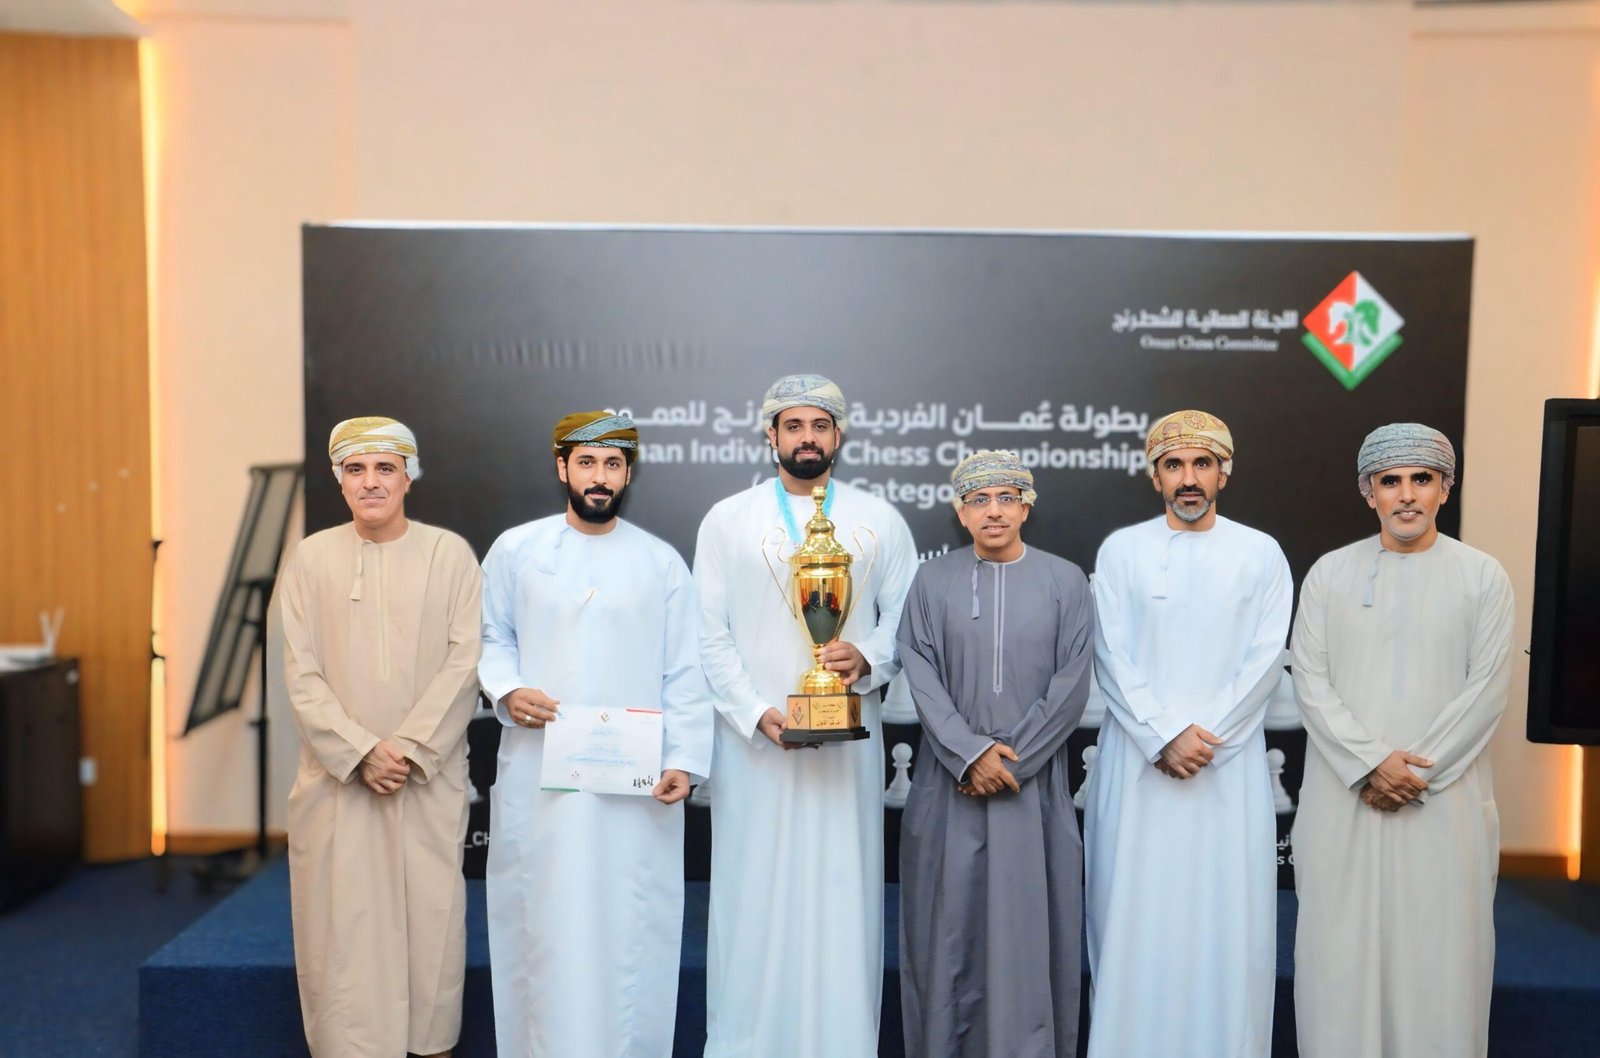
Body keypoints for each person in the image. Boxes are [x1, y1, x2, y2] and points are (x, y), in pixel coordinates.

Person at [694, 373, 918, 1057]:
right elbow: (708, 634)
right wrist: (756, 712)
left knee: (841, 893)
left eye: (820, 426)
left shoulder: (879, 520)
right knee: (753, 897)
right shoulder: (727, 520)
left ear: (839, 435)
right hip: (757, 746)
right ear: (771, 435)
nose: (807, 438)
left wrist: (867, 658)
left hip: (846, 743)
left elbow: (907, 619)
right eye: (793, 426)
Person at [477, 410, 712, 1058]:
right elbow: (490, 638)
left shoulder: (660, 563)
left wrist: (684, 759)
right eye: (586, 462)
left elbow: (685, 670)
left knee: (626, 926)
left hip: (634, 791)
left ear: (628, 474)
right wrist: (507, 690)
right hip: (541, 782)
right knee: (544, 926)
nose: (599, 476)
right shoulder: (517, 550)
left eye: (612, 464)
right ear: (563, 468)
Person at [1290, 423, 1514, 1058]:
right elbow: (1309, 681)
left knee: (1441, 959)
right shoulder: (1330, 573)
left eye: (1423, 479)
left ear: (1446, 488)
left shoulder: (1482, 576)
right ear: (1370, 493)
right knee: (1339, 958)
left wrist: (1414, 773)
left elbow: (1487, 688)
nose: (1407, 495)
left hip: (1442, 802)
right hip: (1345, 799)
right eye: (1391, 481)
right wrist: (1369, 764)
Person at [1083, 409, 1290, 1057]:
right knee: (1133, 918)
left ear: (1225, 473)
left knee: (1226, 925)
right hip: (1139, 766)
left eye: (1203, 464)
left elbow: (1266, 659)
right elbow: (1110, 655)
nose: (1189, 478)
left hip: (1226, 770)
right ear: (1155, 477)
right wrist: (1163, 735)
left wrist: (1208, 736)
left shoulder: (1260, 553)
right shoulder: (1121, 550)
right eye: (1174, 465)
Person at [280, 416, 482, 1058]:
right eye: (356, 469)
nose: (371, 482)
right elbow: (301, 673)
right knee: (343, 932)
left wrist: (410, 750)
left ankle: (429, 1046)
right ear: (339, 480)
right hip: (338, 783)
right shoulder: (310, 558)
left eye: (385, 468)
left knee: (431, 925)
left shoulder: (449, 554)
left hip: (425, 779)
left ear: (408, 478)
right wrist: (362, 751)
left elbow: (466, 662)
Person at [896, 450, 1094, 1058]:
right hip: (949, 783)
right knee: (948, 933)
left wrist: (1010, 761)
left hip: (1031, 788)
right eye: (979, 500)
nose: (994, 511)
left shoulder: (1066, 581)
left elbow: (1072, 682)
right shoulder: (931, 581)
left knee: (1030, 933)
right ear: (960, 513)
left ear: (1026, 508)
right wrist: (969, 752)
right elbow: (920, 672)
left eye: (1007, 498)